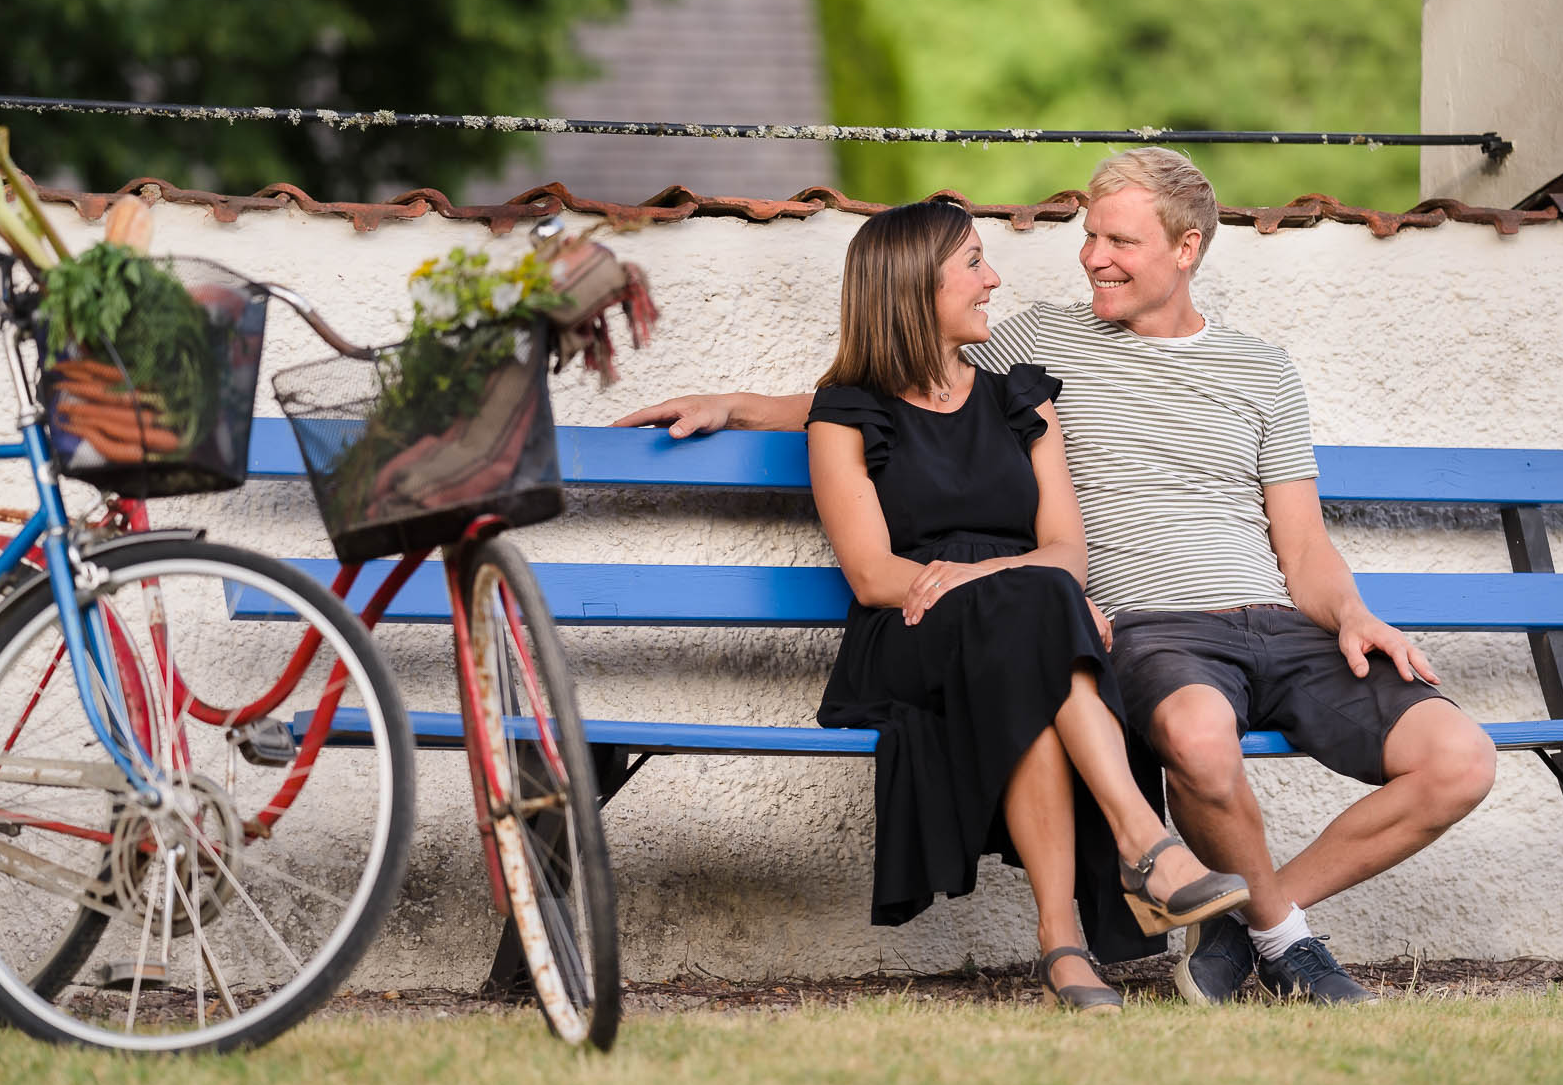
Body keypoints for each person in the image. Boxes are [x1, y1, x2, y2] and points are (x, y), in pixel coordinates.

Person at [618, 148, 1498, 1006]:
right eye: (1089, 235)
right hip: (1147, 628)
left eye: (1118, 242)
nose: (1091, 258)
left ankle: (1254, 922)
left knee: (1460, 760)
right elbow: (895, 386)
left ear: (1186, 249)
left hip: (1274, 620)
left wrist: (1351, 611)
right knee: (1190, 737)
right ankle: (1240, 911)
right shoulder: (1041, 343)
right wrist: (736, 405)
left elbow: (1303, 547)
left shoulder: (1261, 369)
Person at [802, 199, 1248, 1013]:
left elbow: (1067, 552)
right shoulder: (846, 414)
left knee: (1035, 633)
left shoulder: (1019, 401)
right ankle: (1143, 844)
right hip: (909, 632)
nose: (993, 278)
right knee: (1038, 611)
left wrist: (990, 580)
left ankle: (1063, 944)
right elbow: (872, 574)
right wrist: (999, 584)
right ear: (911, 290)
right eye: (972, 263)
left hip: (1020, 625)